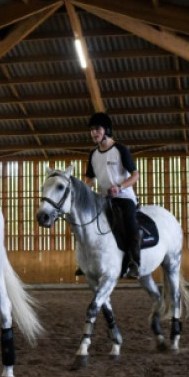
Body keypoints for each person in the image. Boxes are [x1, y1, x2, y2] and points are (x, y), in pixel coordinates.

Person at [84, 112, 142, 279]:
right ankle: (89, 262)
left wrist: (119, 187)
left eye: (97, 129)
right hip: (104, 199)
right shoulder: (93, 155)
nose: (94, 133)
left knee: (129, 223)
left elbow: (135, 175)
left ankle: (134, 262)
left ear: (106, 130)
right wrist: (84, 190)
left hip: (124, 197)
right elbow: (89, 179)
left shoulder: (120, 149)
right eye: (92, 130)